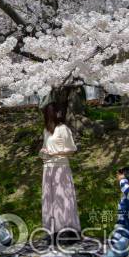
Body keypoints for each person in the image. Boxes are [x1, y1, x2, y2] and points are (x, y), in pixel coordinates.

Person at [40, 103, 81, 245]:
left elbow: (72, 149)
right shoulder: (46, 130)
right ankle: (52, 230)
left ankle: (67, 231)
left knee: (63, 197)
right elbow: (45, 147)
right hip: (48, 167)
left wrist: (55, 152)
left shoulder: (63, 129)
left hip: (61, 167)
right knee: (49, 199)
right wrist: (44, 152)